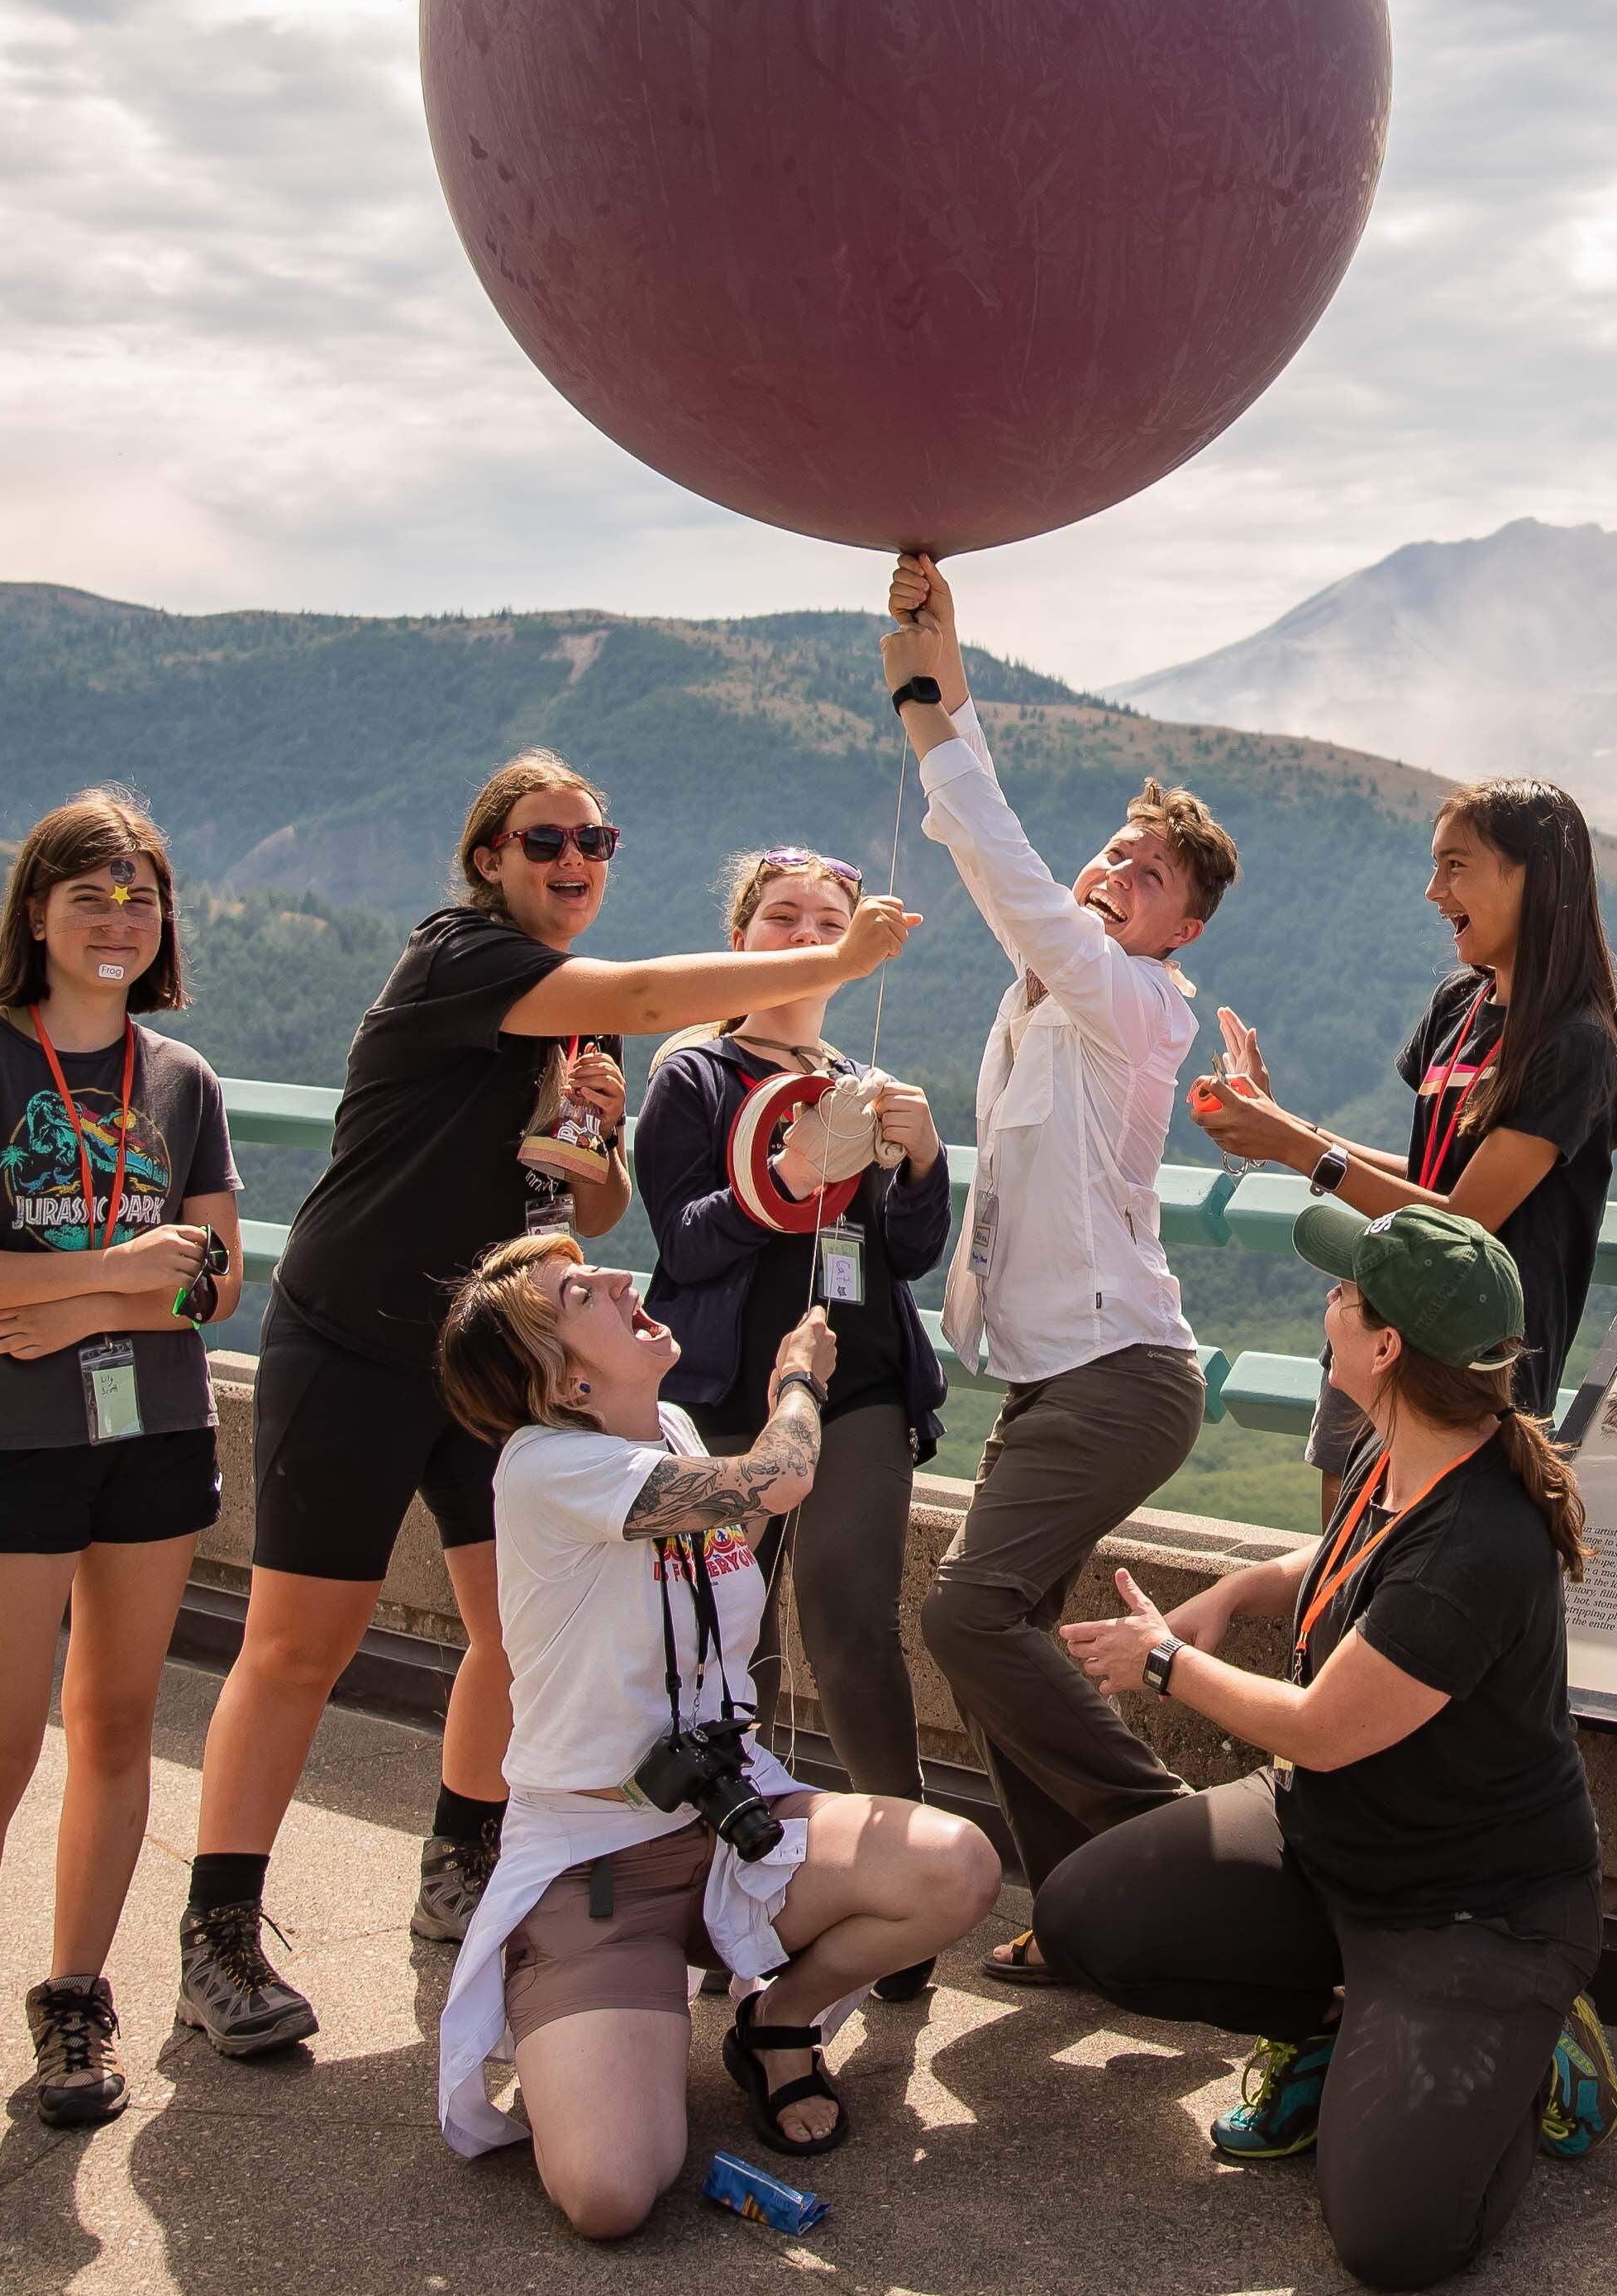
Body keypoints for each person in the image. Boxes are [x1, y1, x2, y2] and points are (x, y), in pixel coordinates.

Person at [175, 752, 916, 2058]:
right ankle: (218, 1933)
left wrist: (596, 1143)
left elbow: (585, 1214)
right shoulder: (459, 953)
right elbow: (640, 988)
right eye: (544, 840)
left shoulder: (571, 1024)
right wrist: (832, 961)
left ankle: (458, 1869)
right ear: (488, 859)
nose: (573, 860)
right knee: (298, 1645)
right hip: (350, 1345)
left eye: (597, 839)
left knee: (513, 1639)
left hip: (496, 1368)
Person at [1037, 1200, 1615, 2292]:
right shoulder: (1402, 1450)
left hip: (1472, 1913)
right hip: (1331, 1844)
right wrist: (1235, 1593)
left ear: (1390, 1347)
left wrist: (1164, 1661)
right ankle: (1335, 2026)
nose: (1328, 1306)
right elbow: (1340, 1562)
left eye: (1346, 1296)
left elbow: (1322, 1729)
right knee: (1087, 1919)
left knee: (1398, 2242)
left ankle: (1527, 2050)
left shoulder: (1479, 1542)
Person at [426, 1234, 999, 2234]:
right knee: (610, 2193)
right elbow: (779, 1478)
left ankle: (776, 2020)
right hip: (594, 1862)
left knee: (955, 1866)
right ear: (560, 1378)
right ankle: (564, 1992)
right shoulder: (544, 1465)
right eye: (577, 1292)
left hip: (728, 1818)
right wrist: (795, 1377)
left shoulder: (678, 1432)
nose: (615, 1276)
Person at [880, 556, 1241, 1983]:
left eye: (1142, 878)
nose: (1110, 879)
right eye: (1113, 855)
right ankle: (1093, 1918)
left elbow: (1003, 865)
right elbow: (1028, 897)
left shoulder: (1125, 1000)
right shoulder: (1046, 997)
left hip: (1118, 1376)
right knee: (1000, 1632)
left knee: (967, 1611)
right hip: (1052, 1380)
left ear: (1179, 932)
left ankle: (1191, 1861)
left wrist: (935, 702)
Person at [0, 790, 246, 2148]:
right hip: (5, 1438)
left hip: (153, 1433)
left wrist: (93, 1310)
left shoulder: (180, 1081)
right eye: (88, 893)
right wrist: (111, 1270)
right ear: (35, 913)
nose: (117, 918)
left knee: (117, 1723)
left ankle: (77, 1996)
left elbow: (216, 1288)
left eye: (140, 896)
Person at [633, 850, 956, 1866]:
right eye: (781, 915)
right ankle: (740, 1863)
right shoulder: (693, 1075)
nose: (807, 932)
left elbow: (906, 1254)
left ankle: (904, 1864)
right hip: (726, 1390)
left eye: (829, 917)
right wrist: (785, 1172)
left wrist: (924, 1159)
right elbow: (683, 1243)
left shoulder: (865, 1083)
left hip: (857, 1385)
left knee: (848, 1612)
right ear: (738, 941)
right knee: (732, 1634)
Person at [1187, 776, 1617, 1472]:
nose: (1434, 892)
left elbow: (1464, 1218)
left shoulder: (1573, 1044)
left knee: (1424, 1563)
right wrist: (1282, 1125)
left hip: (1474, 1366)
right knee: (1344, 1562)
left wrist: (1298, 1148)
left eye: (1455, 867)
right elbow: (1428, 1179)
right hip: (1378, 1320)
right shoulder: (1459, 1004)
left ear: (1534, 880)